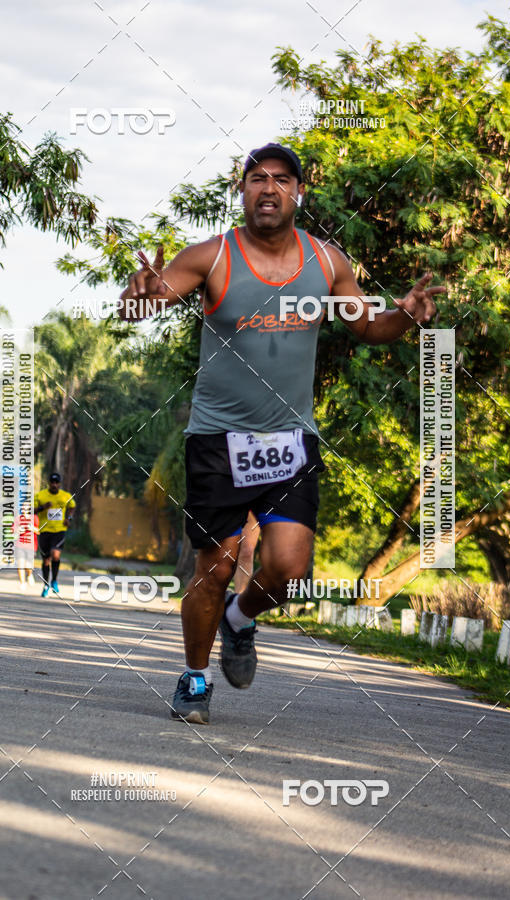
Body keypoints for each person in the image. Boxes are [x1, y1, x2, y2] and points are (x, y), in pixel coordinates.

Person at [121, 142, 444, 724]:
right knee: (214, 566)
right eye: (256, 178)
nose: (268, 188)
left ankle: (239, 620)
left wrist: (408, 316)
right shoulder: (211, 257)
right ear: (241, 191)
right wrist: (139, 294)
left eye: (281, 179)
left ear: (299, 192)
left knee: (289, 568)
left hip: (290, 439)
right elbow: (151, 298)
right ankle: (194, 679)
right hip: (218, 439)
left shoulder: (326, 262)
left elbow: (369, 325)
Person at [34, 473, 75, 597]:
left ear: (59, 483)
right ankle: (46, 584)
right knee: (46, 559)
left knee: (55, 554)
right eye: (52, 482)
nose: (54, 484)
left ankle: (54, 580)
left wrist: (69, 518)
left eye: (56, 482)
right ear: (49, 483)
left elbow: (72, 506)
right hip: (44, 530)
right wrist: (43, 507)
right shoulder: (40, 495)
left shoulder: (65, 496)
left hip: (59, 530)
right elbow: (31, 510)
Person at [13, 501, 39, 590]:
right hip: (20, 544)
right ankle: (22, 583)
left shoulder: (34, 517)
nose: (24, 509)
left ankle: (30, 574)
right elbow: (13, 530)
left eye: (26, 507)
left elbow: (39, 531)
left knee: (28, 565)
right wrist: (18, 530)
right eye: (23, 507)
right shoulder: (18, 518)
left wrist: (32, 528)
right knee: (20, 564)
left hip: (31, 545)